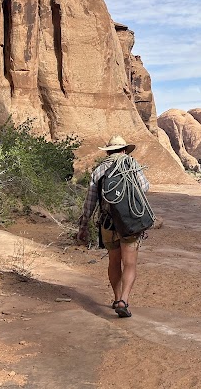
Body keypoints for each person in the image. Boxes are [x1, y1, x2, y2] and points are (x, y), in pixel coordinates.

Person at [77, 135, 150, 318]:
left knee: (114, 261)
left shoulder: (100, 169)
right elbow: (145, 187)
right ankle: (124, 300)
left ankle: (117, 298)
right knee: (130, 264)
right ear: (124, 150)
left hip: (108, 223)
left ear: (108, 151)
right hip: (130, 222)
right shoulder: (132, 165)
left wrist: (84, 224)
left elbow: (90, 200)